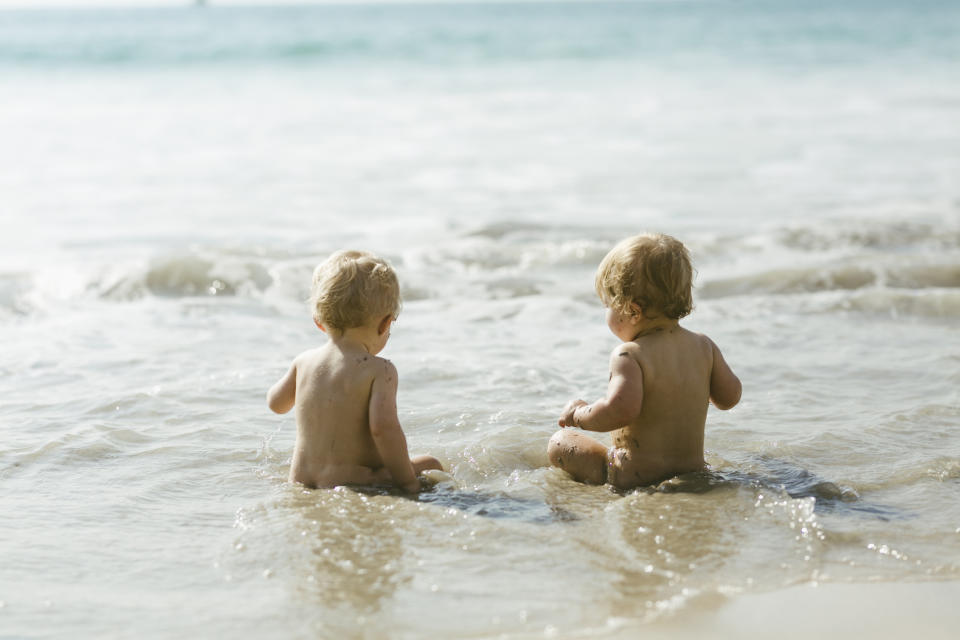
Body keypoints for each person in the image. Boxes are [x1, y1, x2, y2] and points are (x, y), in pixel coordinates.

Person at [548, 233, 741, 490]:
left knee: (560, 442)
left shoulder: (629, 354)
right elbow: (730, 398)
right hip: (691, 471)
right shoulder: (704, 346)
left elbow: (620, 410)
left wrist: (579, 414)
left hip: (633, 476)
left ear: (633, 311)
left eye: (608, 304)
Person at [267, 250, 442, 492]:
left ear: (319, 323)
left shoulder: (303, 361)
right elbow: (383, 429)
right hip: (355, 481)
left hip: (302, 481)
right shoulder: (381, 370)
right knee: (431, 463)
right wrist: (408, 482)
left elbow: (276, 404)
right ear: (385, 323)